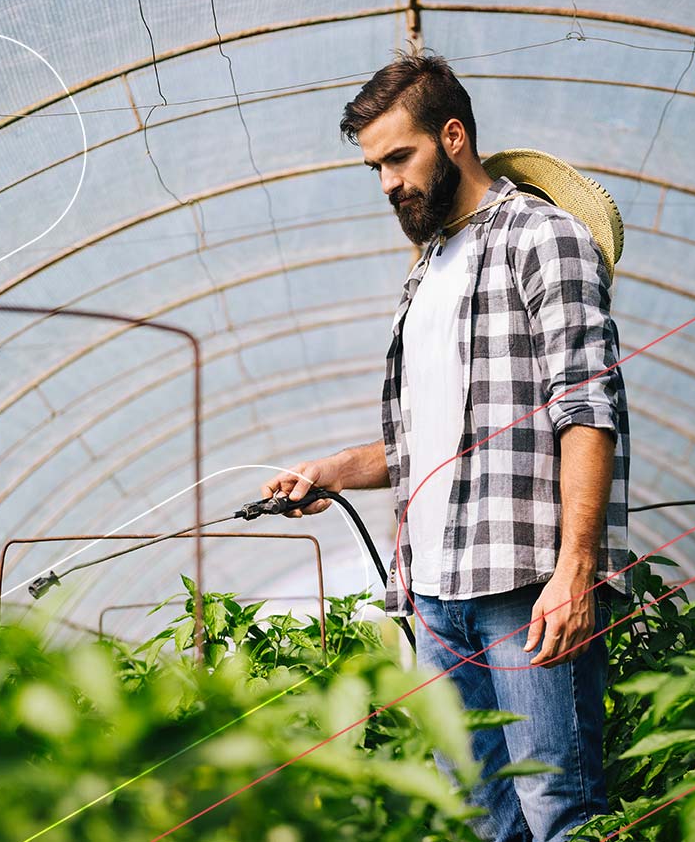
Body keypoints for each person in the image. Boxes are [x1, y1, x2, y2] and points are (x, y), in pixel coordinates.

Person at [260, 49, 631, 842]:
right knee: (485, 816)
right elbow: (424, 439)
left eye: (400, 157)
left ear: (454, 137)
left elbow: (587, 408)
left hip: (523, 585)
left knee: (561, 809)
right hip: (433, 594)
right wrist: (329, 471)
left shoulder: (542, 238)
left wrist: (575, 570)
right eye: (376, 168)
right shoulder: (425, 271)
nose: (389, 181)